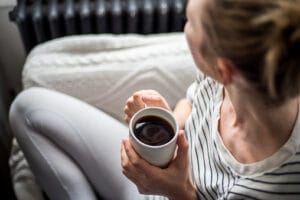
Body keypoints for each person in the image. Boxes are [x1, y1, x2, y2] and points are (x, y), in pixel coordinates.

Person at [9, 0, 300, 199]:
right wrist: (171, 121)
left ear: (224, 69)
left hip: (168, 191)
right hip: (151, 181)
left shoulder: (276, 187)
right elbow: (192, 101)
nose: (184, 28)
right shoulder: (239, 76)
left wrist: (177, 192)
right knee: (26, 108)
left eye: (189, 22)